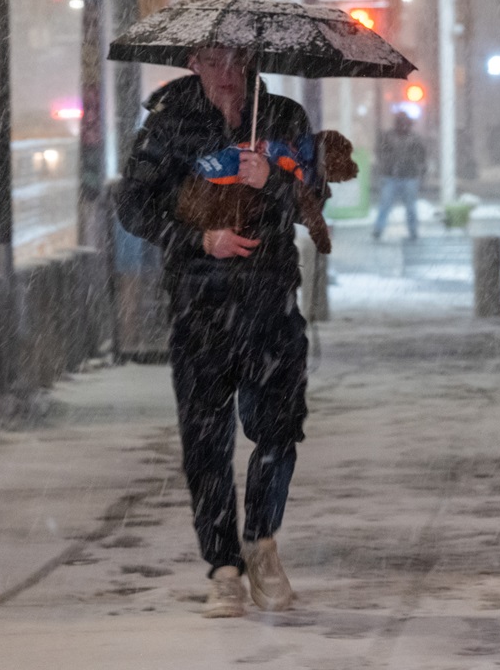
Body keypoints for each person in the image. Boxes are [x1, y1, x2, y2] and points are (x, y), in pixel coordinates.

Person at [116, 46, 312, 617]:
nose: (226, 74)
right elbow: (133, 206)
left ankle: (262, 543)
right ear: (194, 63)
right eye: (213, 61)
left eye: (236, 60)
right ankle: (224, 568)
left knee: (278, 430)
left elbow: (315, 197)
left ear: (250, 61)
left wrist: (273, 181)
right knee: (205, 442)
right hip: (199, 309)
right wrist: (199, 240)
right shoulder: (167, 126)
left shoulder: (284, 117)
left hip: (271, 303)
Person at [372, 112, 426, 241]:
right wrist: (386, 163)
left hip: (408, 175)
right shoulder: (388, 137)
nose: (403, 126)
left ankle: (412, 230)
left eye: (405, 124)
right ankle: (379, 229)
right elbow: (380, 152)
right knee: (386, 204)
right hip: (391, 175)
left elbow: (422, 156)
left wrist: (416, 167)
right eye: (401, 123)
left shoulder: (414, 139)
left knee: (410, 206)